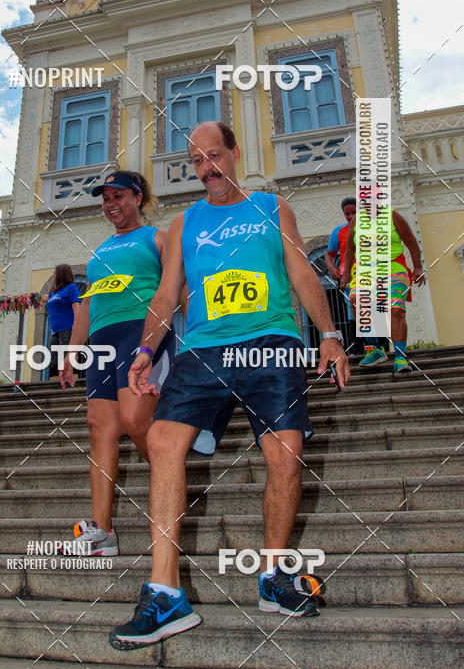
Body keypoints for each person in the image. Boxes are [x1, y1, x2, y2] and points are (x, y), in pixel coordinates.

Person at [109, 122, 349, 650]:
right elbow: (169, 292)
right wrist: (146, 351)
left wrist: (329, 336)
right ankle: (166, 593)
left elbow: (302, 274)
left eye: (214, 156)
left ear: (235, 154)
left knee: (285, 455)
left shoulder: (271, 207)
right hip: (202, 349)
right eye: (196, 161)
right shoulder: (183, 224)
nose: (206, 169)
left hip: (272, 342)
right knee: (164, 442)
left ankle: (271, 576)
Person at [61, 171, 176, 557]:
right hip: (102, 341)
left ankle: (170, 473)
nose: (111, 204)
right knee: (99, 428)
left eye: (119, 196)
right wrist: (72, 354)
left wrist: (191, 341)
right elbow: (88, 306)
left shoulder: (157, 238)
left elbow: (178, 289)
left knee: (134, 419)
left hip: (141, 332)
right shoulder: (98, 253)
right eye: (105, 198)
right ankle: (103, 531)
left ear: (138, 197)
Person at [341, 205, 426, 374]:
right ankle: (374, 349)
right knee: (356, 300)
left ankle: (400, 357)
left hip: (393, 267)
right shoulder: (357, 220)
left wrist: (417, 268)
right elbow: (351, 248)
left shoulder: (393, 216)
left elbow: (410, 240)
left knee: (395, 309)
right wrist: (346, 275)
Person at [325, 198, 360, 354]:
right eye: (347, 214)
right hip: (350, 277)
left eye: (354, 212)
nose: (351, 216)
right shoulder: (339, 231)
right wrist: (332, 268)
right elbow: (330, 254)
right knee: (353, 311)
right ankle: (358, 350)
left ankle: (380, 348)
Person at [42, 264, 81, 379]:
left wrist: (77, 324)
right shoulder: (54, 293)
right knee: (53, 360)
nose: (53, 275)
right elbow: (44, 297)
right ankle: (55, 386)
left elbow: (75, 305)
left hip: (67, 328)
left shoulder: (71, 287)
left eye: (55, 273)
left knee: (68, 357)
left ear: (61, 274)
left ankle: (72, 384)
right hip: (55, 331)